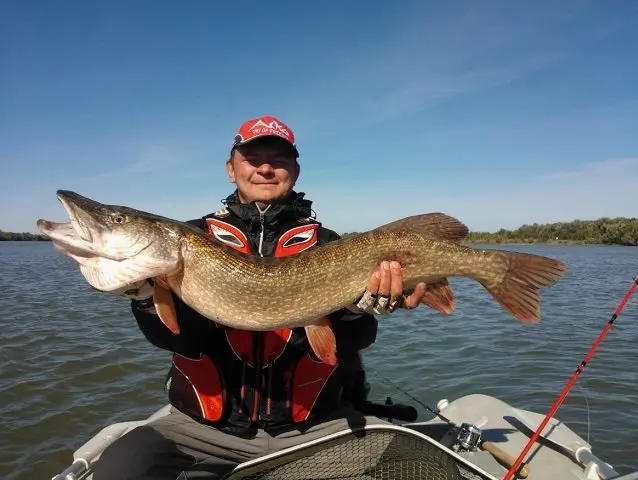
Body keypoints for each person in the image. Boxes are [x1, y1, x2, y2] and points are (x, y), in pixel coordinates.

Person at [92, 115, 428, 479]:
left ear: (295, 172)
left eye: (278, 159)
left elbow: (355, 341)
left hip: (315, 429)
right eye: (253, 158)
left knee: (416, 465)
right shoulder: (193, 238)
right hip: (202, 433)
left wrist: (355, 311)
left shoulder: (331, 245)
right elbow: (172, 337)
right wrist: (144, 297)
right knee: (119, 468)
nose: (265, 168)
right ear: (230, 168)